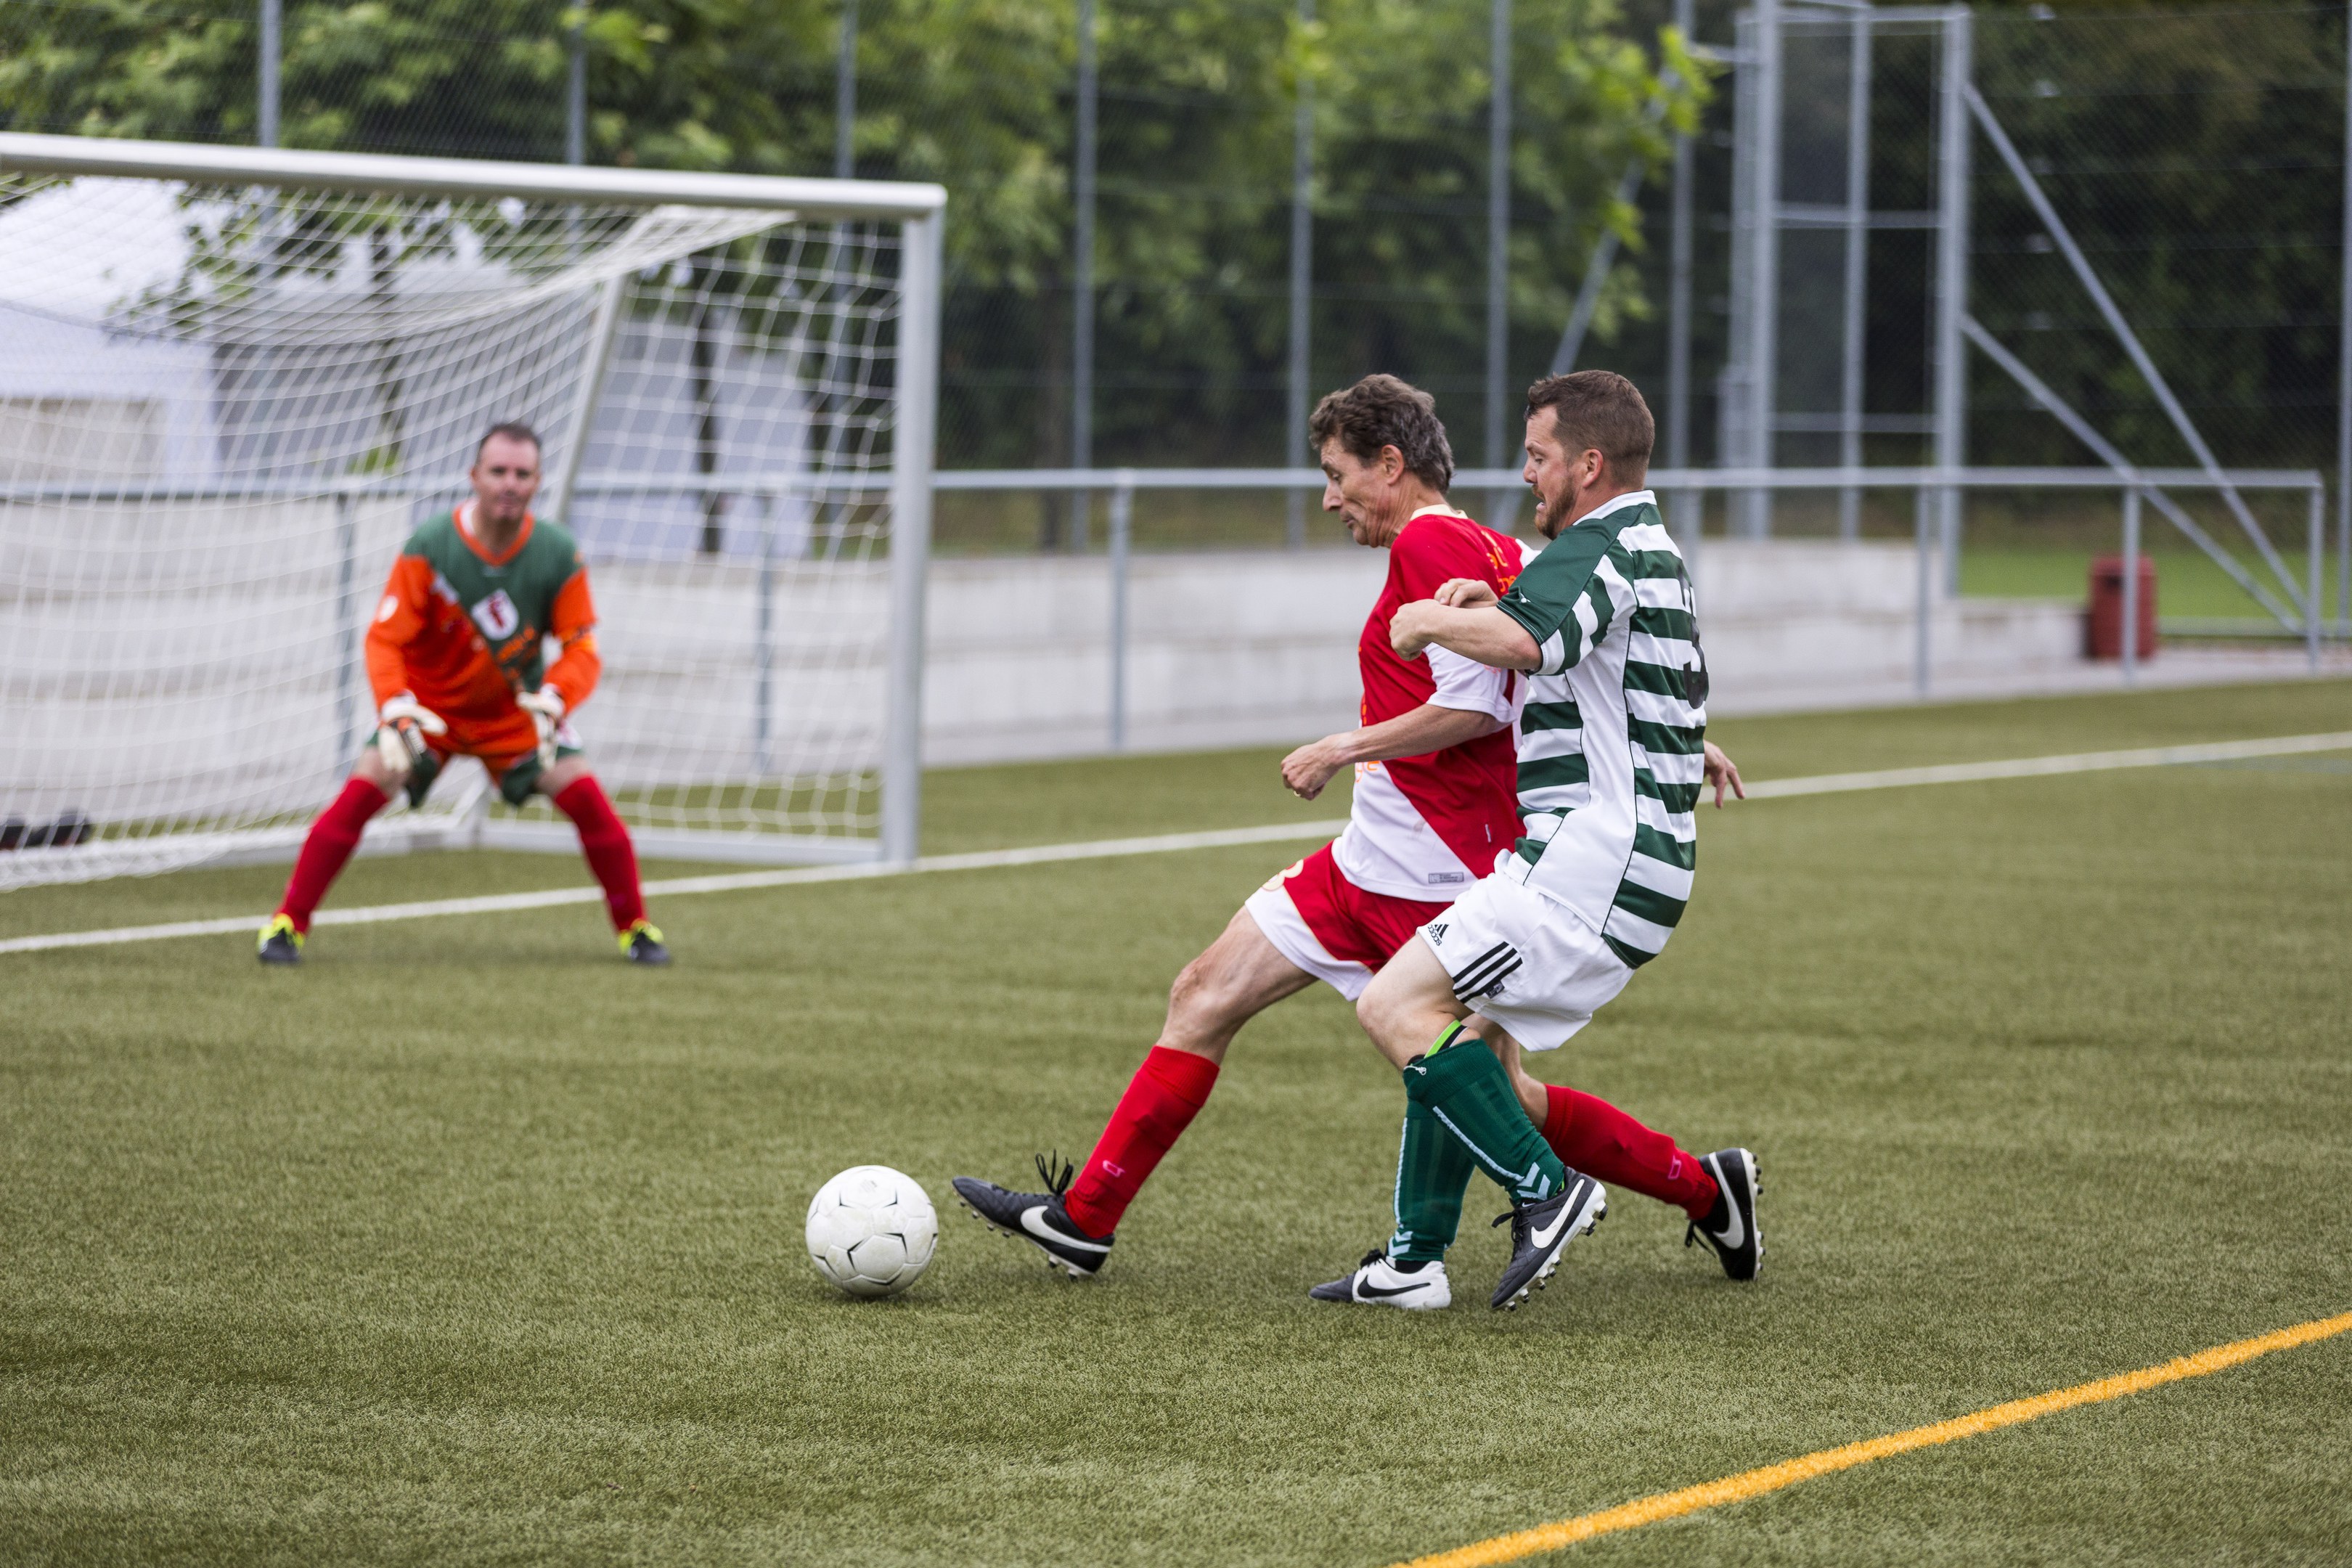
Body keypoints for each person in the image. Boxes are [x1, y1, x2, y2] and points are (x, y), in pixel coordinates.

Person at [950, 375, 1740, 1286]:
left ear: (1390, 465)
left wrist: (1342, 745)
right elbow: (1585, 660)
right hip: (1369, 857)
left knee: (1478, 1078)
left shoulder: (1434, 541)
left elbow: (1484, 702)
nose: (1330, 498)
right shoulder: (1504, 548)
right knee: (1205, 993)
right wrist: (1678, 739)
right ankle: (1087, 1218)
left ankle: (1662, 1196)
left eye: (1337, 475)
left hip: (1435, 862)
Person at [1310, 369, 1760, 1313]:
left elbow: (1529, 646)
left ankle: (1547, 1190)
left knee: (1395, 1007)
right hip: (1624, 867)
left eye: (1539, 456)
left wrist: (1429, 619)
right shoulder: (1646, 547)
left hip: (1587, 867)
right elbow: (1606, 662)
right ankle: (1415, 1259)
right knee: (1467, 1046)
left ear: (1589, 465)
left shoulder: (1600, 545)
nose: (1525, 473)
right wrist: (1493, 604)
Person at [255, 423, 668, 967]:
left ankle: (636, 929)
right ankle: (288, 923)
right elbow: (385, 639)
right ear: (474, 476)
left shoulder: (557, 552)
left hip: (517, 715)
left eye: (522, 474)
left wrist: (556, 698)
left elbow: (582, 649)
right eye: (498, 471)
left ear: (538, 483)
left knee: (590, 802)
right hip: (429, 715)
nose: (509, 484)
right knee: (363, 788)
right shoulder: (430, 546)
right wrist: (395, 705)